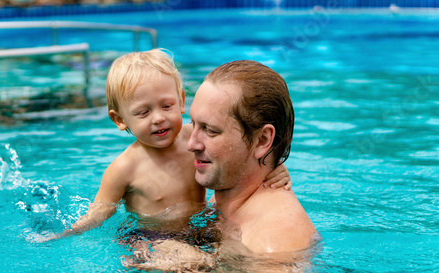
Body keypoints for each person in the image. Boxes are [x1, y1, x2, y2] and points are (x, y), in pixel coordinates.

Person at [48, 50, 290, 240]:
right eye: (143, 112)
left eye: (166, 106)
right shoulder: (124, 168)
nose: (158, 118)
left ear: (182, 100)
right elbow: (100, 211)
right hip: (151, 238)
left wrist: (273, 168)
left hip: (199, 227)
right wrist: (65, 234)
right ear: (120, 120)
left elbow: (241, 158)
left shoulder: (193, 139)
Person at [187, 60, 317, 254]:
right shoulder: (232, 197)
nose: (191, 144)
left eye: (211, 130)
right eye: (192, 123)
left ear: (262, 140)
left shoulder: (274, 241)